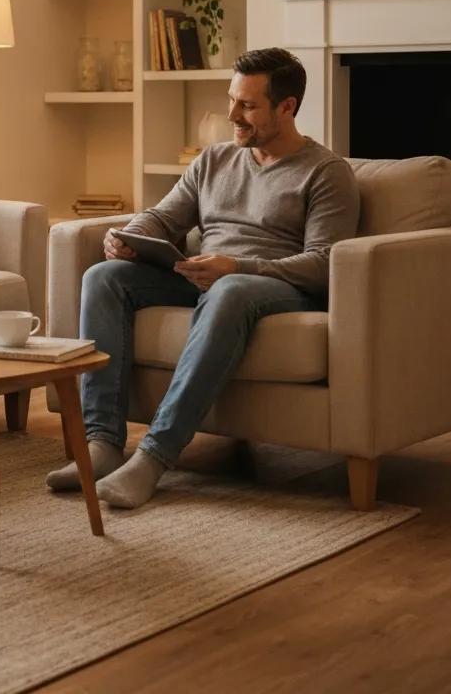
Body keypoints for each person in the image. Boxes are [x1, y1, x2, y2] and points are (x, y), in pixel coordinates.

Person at [46, 47, 360, 509]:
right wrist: (130, 237)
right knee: (105, 276)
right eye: (232, 100)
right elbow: (162, 217)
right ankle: (103, 446)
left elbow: (323, 263)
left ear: (287, 107)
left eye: (248, 105)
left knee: (229, 289)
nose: (232, 114)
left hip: (272, 286)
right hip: (207, 274)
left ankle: (154, 457)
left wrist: (236, 267)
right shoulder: (214, 160)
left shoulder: (326, 172)